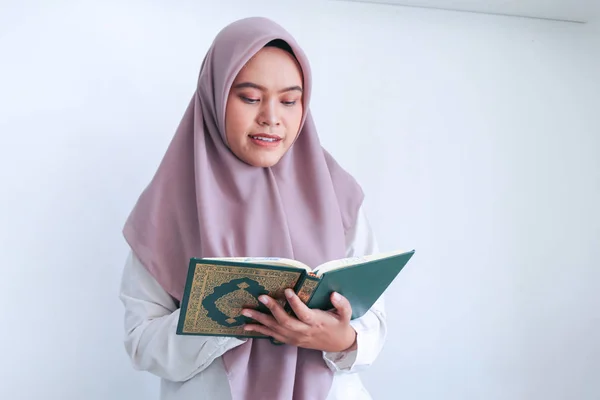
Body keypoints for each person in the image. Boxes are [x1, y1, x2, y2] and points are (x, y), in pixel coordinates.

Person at [119, 16, 387, 400]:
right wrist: (226, 318)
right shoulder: (168, 201)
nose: (272, 117)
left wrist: (342, 338)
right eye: (249, 97)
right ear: (215, 95)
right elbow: (140, 341)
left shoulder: (335, 191)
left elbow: (375, 318)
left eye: (290, 100)